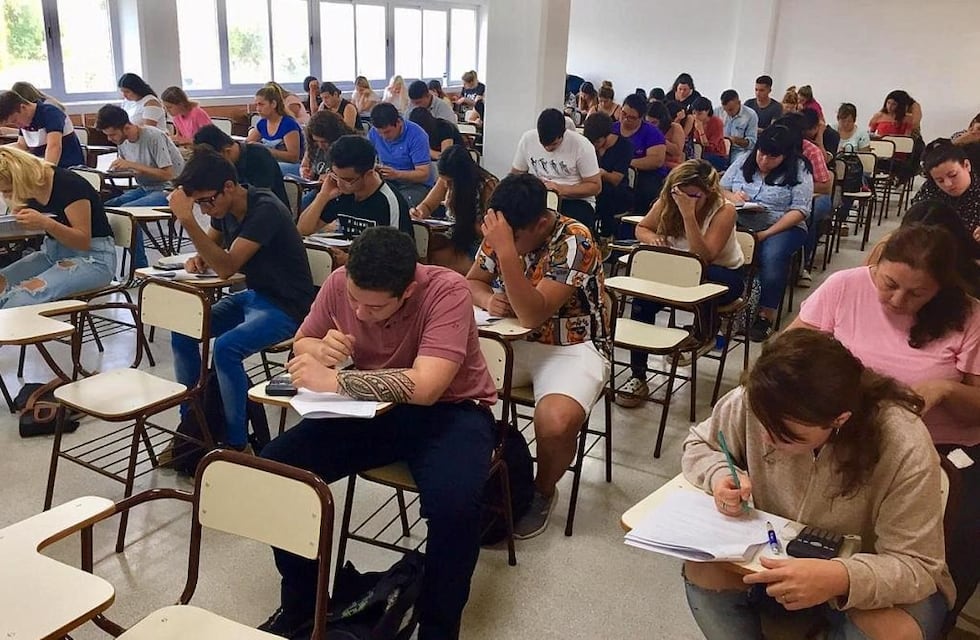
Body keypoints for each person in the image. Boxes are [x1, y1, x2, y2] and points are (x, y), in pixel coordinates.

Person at [258, 225, 497, 640]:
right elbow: (302, 341)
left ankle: (438, 629)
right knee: (277, 469)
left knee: (455, 508)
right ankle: (302, 606)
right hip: (371, 409)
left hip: (451, 411)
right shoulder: (340, 281)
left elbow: (427, 387)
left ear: (407, 291)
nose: (359, 312)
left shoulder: (446, 290)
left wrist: (336, 380)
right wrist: (319, 349)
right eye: (354, 300)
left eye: (374, 307)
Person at [682, 328, 954, 640]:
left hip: (866, 572)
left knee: (894, 633)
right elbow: (701, 444)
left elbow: (917, 565)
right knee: (702, 569)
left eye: (785, 435)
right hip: (779, 559)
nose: (764, 439)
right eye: (762, 424)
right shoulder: (760, 398)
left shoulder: (902, 441)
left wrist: (841, 577)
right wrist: (720, 474)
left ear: (839, 419)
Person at [789, 224, 980, 632]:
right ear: (877, 262)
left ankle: (931, 613)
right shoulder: (844, 286)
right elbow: (789, 355)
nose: (896, 300)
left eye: (917, 294)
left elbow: (975, 413)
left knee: (958, 536)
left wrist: (946, 389)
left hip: (943, 446)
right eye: (889, 283)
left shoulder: (969, 316)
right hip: (851, 434)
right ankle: (819, 589)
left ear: (940, 289)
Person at [467, 173, 608, 538]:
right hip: (510, 339)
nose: (504, 244)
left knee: (555, 423)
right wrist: (487, 299)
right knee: (447, 384)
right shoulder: (503, 227)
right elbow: (473, 282)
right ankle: (477, 472)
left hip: (572, 346)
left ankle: (541, 490)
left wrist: (506, 252)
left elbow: (532, 314)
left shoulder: (575, 240)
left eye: (514, 239)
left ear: (542, 223)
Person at [168, 149, 315, 452]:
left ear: (229, 187)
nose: (205, 210)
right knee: (183, 329)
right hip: (255, 295)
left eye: (207, 201)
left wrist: (187, 220)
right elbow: (212, 249)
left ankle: (237, 443)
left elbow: (226, 267)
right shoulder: (223, 208)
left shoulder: (265, 209)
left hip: (288, 306)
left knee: (226, 348)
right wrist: (199, 258)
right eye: (198, 204)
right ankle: (193, 423)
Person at [616, 160, 745, 406]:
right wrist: (653, 238)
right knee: (642, 299)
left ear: (709, 192)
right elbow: (642, 228)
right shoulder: (668, 200)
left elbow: (704, 256)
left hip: (719, 273)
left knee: (705, 284)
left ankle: (704, 332)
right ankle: (637, 375)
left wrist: (688, 215)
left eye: (694, 196)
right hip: (676, 270)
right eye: (680, 194)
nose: (686, 200)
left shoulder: (724, 210)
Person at [721, 124, 812, 341]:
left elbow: (800, 211)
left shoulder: (799, 169)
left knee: (772, 256)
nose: (764, 160)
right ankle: (722, 307)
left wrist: (767, 233)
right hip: (741, 219)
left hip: (782, 226)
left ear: (785, 156)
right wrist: (734, 198)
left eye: (772, 157)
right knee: (718, 248)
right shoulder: (744, 159)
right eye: (761, 153)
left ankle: (765, 315)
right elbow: (721, 188)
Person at [0, 147, 115, 308]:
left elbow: (83, 241)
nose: (6, 196)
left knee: (21, 298)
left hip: (94, 260)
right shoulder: (28, 186)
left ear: (21, 178)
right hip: (52, 253)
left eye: (8, 190)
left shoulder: (69, 184)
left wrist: (45, 223)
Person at [97, 104, 185, 268]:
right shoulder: (122, 141)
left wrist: (132, 165)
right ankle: (103, 262)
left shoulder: (153, 136)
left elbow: (168, 174)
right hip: (146, 188)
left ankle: (140, 267)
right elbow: (134, 168)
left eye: (112, 134)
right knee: (105, 208)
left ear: (126, 127)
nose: (110, 139)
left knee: (127, 212)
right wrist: (116, 171)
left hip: (170, 190)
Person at [297, 134, 412, 249]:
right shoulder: (339, 191)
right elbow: (302, 230)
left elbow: (397, 254)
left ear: (368, 174)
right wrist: (323, 196)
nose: (339, 183)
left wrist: (349, 258)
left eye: (347, 179)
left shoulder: (389, 201)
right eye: (335, 175)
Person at [411, 145, 498, 275]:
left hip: (476, 245)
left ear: (462, 178)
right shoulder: (447, 178)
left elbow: (492, 232)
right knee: (420, 249)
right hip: (453, 237)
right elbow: (428, 205)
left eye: (450, 182)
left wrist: (466, 221)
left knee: (431, 261)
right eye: (444, 180)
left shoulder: (487, 186)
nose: (446, 185)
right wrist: (419, 212)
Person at [511, 108, 602, 231]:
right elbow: (516, 174)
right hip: (538, 198)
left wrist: (561, 189)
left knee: (566, 228)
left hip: (573, 201)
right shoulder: (528, 139)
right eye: (543, 145)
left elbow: (596, 187)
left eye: (554, 144)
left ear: (563, 134)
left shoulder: (581, 145)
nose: (548, 149)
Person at [193, 124, 288, 206]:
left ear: (227, 151)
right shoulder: (224, 162)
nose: (212, 167)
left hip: (269, 214)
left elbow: (261, 200)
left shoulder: (259, 156)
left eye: (212, 162)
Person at [367, 102, 434, 206]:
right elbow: (366, 157)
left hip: (416, 185)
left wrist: (397, 174)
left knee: (397, 205)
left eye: (387, 132)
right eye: (380, 133)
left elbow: (423, 174)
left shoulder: (417, 135)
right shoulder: (374, 132)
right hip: (388, 181)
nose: (383, 137)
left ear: (399, 122)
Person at [912, 139, 980, 238]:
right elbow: (913, 225)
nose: (948, 184)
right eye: (940, 181)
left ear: (967, 165)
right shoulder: (929, 192)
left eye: (953, 175)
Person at [0, 90, 83, 168]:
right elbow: (21, 145)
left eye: (15, 120)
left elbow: (54, 146)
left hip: (67, 167)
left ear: (23, 107)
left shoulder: (51, 113)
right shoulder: (26, 120)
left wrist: (45, 173)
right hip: (42, 166)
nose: (17, 125)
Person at [583, 112, 633, 240]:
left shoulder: (624, 147)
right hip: (593, 187)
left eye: (597, 142)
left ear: (608, 135)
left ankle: (604, 236)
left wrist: (603, 173)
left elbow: (616, 179)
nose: (594, 146)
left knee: (604, 196)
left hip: (615, 191)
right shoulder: (587, 146)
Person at [615, 93, 668, 213]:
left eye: (631, 117)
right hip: (619, 172)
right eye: (623, 114)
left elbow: (657, 161)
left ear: (641, 118)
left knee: (646, 192)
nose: (625, 119)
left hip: (647, 175)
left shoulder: (653, 133)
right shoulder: (612, 129)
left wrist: (626, 162)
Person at [246, 84, 304, 177]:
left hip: (291, 166)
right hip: (272, 163)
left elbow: (293, 157)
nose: (258, 109)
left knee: (263, 169)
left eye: (261, 104)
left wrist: (265, 150)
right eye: (256, 105)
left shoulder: (288, 124)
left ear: (273, 104)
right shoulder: (262, 123)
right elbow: (247, 144)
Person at [717, 89, 759, 164]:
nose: (728, 113)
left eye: (730, 110)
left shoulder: (751, 115)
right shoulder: (717, 111)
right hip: (720, 149)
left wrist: (735, 140)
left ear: (739, 103)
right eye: (725, 110)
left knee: (740, 162)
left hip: (739, 150)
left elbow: (752, 143)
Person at [647, 100, 686, 170]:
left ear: (662, 120)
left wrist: (659, 138)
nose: (651, 126)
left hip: (671, 166)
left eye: (654, 123)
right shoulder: (645, 128)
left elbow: (677, 152)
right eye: (648, 122)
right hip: (650, 164)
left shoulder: (675, 127)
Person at [691, 97, 728, 170]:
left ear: (707, 111)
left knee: (698, 163)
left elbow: (708, 146)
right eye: (694, 113)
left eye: (699, 114)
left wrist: (700, 130)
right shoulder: (693, 120)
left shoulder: (717, 123)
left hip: (715, 155)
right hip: (698, 152)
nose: (696, 116)